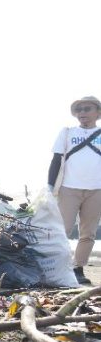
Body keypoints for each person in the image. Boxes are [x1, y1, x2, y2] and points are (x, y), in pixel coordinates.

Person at [48, 95, 101, 286]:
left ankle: (78, 268)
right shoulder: (67, 132)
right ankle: (59, 268)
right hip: (69, 188)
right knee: (62, 230)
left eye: (87, 109)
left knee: (88, 233)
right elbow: (56, 160)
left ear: (98, 112)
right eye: (79, 110)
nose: (82, 113)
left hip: (97, 190)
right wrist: (50, 186)